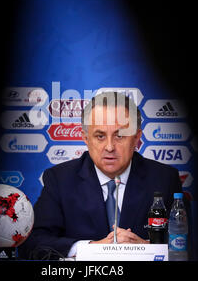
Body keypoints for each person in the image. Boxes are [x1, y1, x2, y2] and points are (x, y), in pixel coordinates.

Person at [18, 92, 183, 259]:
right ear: (86, 138)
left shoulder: (164, 179)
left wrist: (146, 247)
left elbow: (185, 242)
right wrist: (89, 248)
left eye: (120, 135)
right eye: (100, 136)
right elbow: (33, 243)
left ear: (136, 139)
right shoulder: (60, 179)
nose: (109, 147)